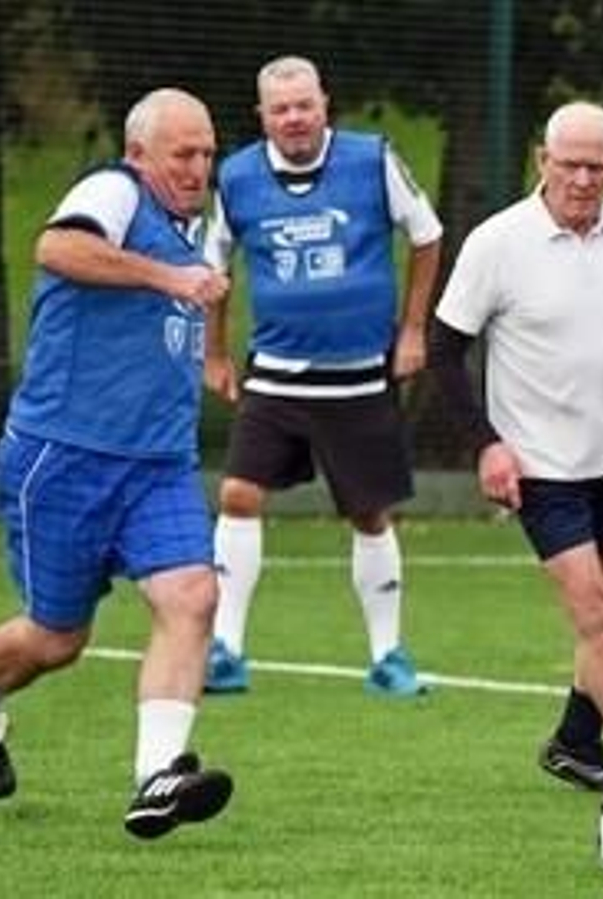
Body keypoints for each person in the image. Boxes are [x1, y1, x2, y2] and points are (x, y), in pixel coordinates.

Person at [428, 101, 603, 792]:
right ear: (542, 161)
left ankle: (574, 739)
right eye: (569, 164)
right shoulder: (498, 242)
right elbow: (443, 350)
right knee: (593, 611)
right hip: (540, 464)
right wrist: (487, 445)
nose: (583, 179)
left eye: (596, 166)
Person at [0, 88, 235, 837]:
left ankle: (157, 776)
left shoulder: (193, 222)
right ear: (140, 154)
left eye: (206, 153)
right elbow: (55, 247)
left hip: (158, 464)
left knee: (193, 595)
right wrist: (168, 279)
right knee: (55, 638)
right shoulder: (112, 191)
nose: (198, 167)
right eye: (182, 154)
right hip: (63, 458)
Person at [201, 55, 441, 697]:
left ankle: (388, 657)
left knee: (368, 512)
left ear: (324, 104)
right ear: (263, 117)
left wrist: (413, 330)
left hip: (359, 376)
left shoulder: (372, 159)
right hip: (276, 375)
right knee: (238, 496)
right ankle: (225, 649)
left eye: (304, 105)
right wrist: (215, 353)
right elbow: (214, 270)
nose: (294, 118)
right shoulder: (237, 176)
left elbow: (427, 236)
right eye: (280, 109)